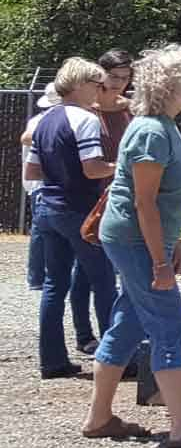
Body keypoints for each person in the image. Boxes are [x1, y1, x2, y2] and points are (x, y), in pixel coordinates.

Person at [85, 44, 181, 448]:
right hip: (134, 240)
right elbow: (143, 201)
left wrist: (167, 246)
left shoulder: (161, 125)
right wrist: (159, 262)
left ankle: (99, 418)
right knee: (169, 325)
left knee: (129, 323)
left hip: (139, 240)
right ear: (173, 85)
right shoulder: (152, 130)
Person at [25, 59, 117, 379]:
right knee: (104, 280)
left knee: (54, 285)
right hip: (78, 210)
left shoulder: (44, 120)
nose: (100, 90)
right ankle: (117, 359)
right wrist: (122, 166)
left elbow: (31, 171)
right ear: (79, 85)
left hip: (46, 209)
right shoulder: (85, 120)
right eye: (96, 84)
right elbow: (93, 169)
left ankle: (52, 362)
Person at [19, 83, 61, 290]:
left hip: (39, 183)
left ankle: (39, 276)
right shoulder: (44, 121)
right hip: (41, 183)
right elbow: (25, 138)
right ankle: (37, 277)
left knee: (43, 230)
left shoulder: (39, 119)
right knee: (41, 230)